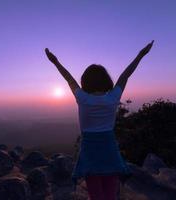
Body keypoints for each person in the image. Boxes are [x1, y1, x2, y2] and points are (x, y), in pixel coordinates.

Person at [44, 40, 154, 200]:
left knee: (96, 195)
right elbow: (126, 74)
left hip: (90, 151)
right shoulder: (113, 97)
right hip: (109, 148)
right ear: (106, 80)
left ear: (85, 81)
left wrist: (55, 62)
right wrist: (141, 54)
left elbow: (69, 79)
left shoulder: (82, 98)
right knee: (110, 194)